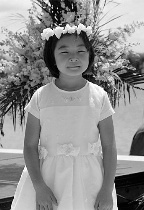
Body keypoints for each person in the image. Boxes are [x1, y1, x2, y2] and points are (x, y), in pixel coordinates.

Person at [11, 24, 118, 210]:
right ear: (52, 57)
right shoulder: (41, 96)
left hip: (91, 180)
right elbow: (29, 146)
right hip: (48, 180)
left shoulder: (99, 96)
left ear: (90, 54)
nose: (74, 57)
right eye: (64, 51)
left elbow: (109, 146)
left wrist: (107, 189)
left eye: (80, 50)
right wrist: (39, 187)